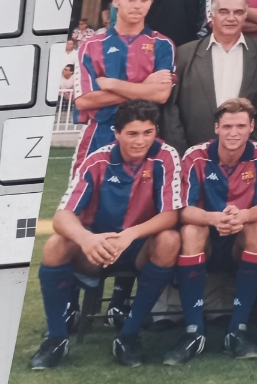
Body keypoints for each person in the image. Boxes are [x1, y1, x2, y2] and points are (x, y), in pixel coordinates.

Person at [29, 100, 181, 369]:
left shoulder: (166, 156)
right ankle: (56, 338)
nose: (140, 141)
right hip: (97, 248)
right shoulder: (97, 159)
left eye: (148, 132)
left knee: (170, 239)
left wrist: (130, 235)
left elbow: (171, 214)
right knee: (56, 244)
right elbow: (63, 216)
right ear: (117, 133)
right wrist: (87, 239)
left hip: (136, 246)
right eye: (132, 133)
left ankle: (129, 335)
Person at [172, 98, 257, 363]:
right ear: (216, 128)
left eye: (241, 126)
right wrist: (214, 218)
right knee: (192, 230)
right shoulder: (196, 155)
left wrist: (242, 216)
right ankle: (194, 331)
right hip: (208, 234)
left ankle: (237, 330)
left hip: (240, 236)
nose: (234, 132)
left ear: (251, 127)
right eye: (227, 126)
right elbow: (184, 210)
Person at [71, 0, 176, 173]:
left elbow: (161, 95)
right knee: (86, 200)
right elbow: (84, 101)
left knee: (140, 200)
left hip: (143, 135)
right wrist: (145, 86)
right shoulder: (92, 45)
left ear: (151, 3)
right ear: (116, 1)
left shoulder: (162, 44)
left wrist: (111, 83)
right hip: (100, 132)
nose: (138, 5)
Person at [162, 0, 257, 151]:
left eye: (238, 12)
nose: (231, 18)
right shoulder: (184, 54)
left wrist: (254, 148)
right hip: (192, 153)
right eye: (224, 12)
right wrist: (182, 151)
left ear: (245, 17)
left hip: (247, 155)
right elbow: (171, 108)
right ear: (211, 16)